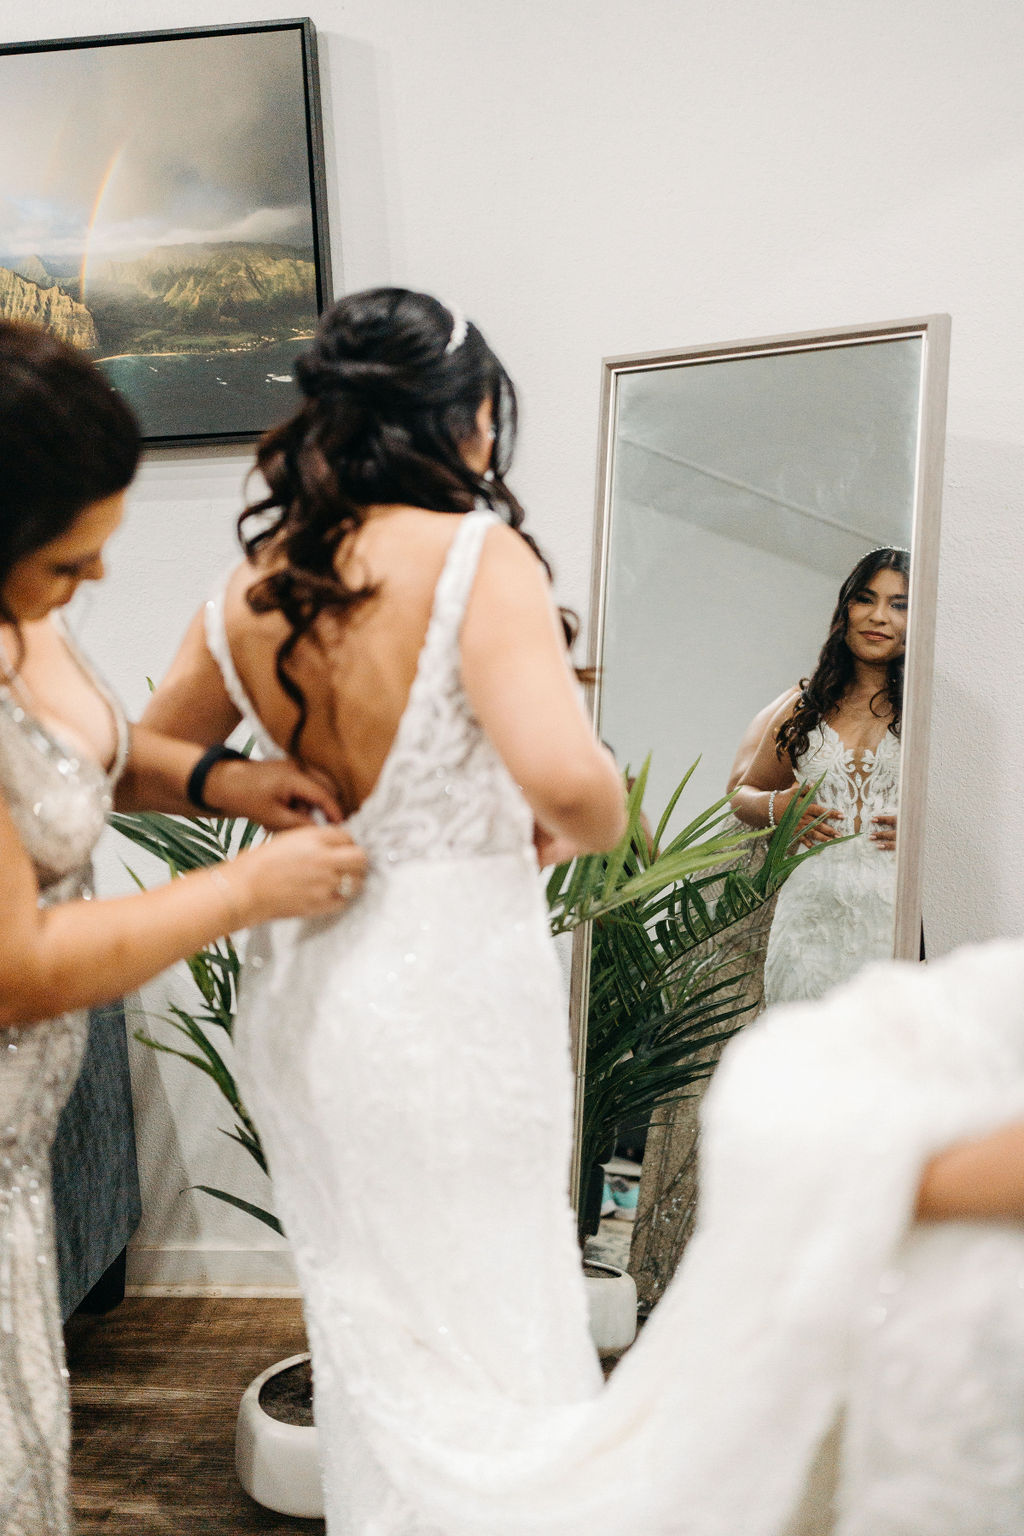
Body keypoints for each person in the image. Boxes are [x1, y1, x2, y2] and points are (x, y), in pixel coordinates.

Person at [147, 292, 1024, 1536]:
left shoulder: (261, 581)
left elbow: (141, 761)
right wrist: (567, 764)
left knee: (369, 1294)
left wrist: (257, 784)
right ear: (475, 418)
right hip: (452, 975)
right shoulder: (474, 557)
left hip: (314, 982)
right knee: (490, 1285)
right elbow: (581, 796)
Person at [0, 319, 368, 1536]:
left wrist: (222, 781)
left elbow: (80, 757)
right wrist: (247, 889)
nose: (95, 582)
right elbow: (21, 970)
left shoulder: (24, 614)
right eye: (66, 564)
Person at [730, 548, 908, 1006]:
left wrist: (927, 827)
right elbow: (741, 796)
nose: (879, 617)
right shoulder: (805, 707)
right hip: (807, 923)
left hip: (894, 923)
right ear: (845, 609)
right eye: (865, 599)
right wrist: (779, 806)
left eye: (899, 604)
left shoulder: (932, 715)